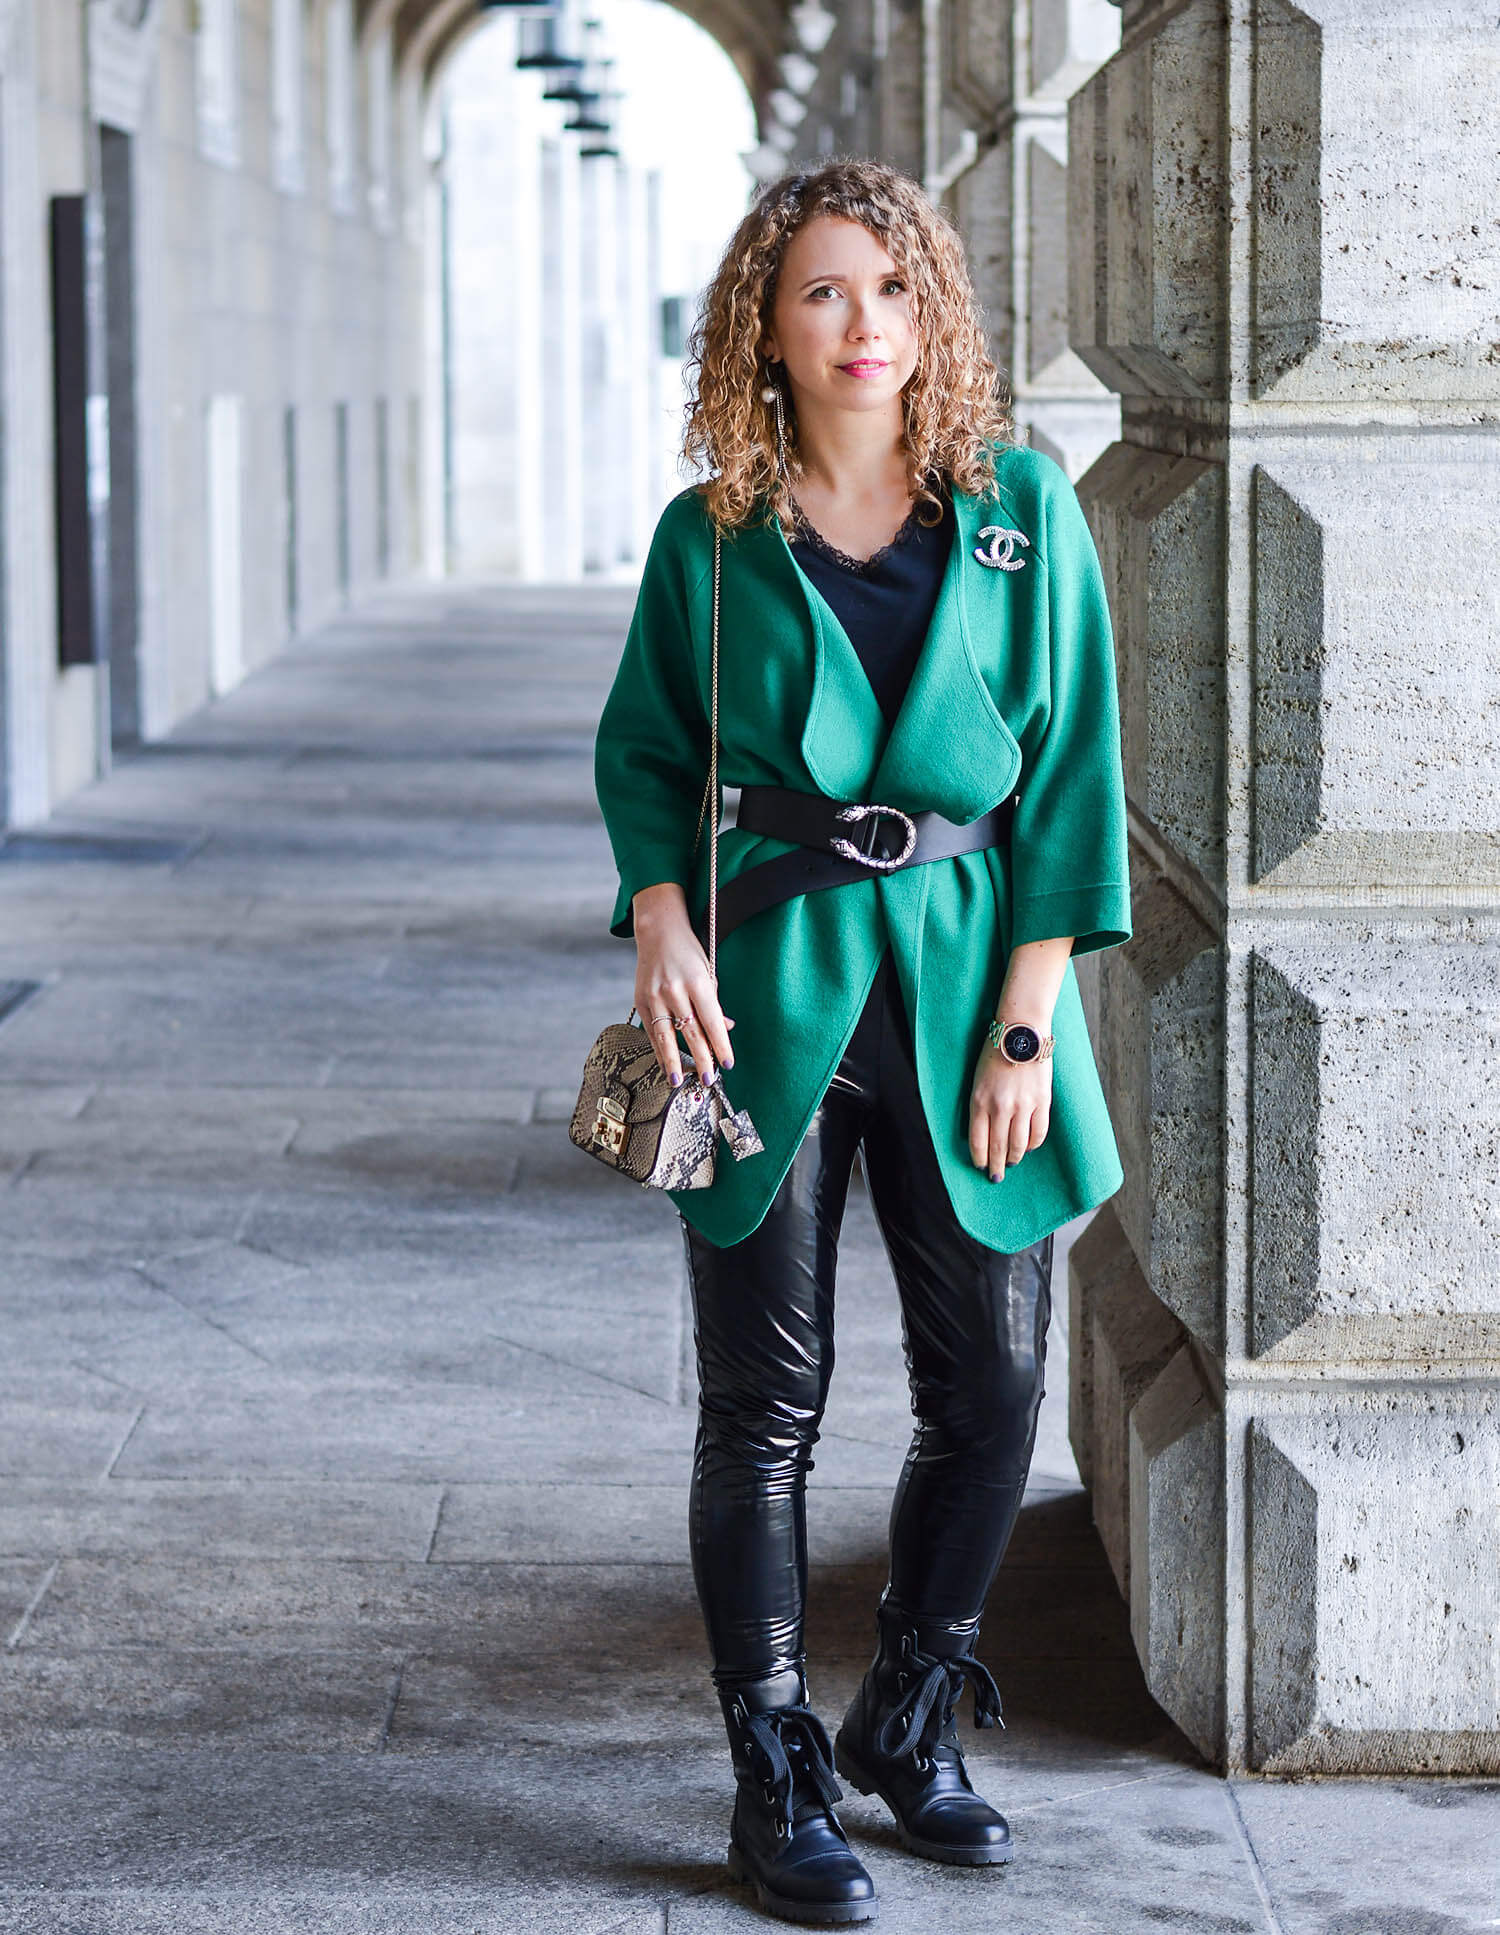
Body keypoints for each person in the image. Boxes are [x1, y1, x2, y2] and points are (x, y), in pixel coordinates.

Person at [593, 158, 1132, 1925]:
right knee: (767, 1404)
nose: (862, 328)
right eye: (822, 292)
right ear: (765, 319)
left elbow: (1070, 776)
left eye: (891, 291)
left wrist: (1030, 1023)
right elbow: (651, 764)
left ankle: (908, 1709)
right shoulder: (714, 543)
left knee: (992, 1388)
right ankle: (772, 1766)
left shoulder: (1019, 514)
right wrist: (663, 916)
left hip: (981, 981)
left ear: (935, 315)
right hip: (768, 990)